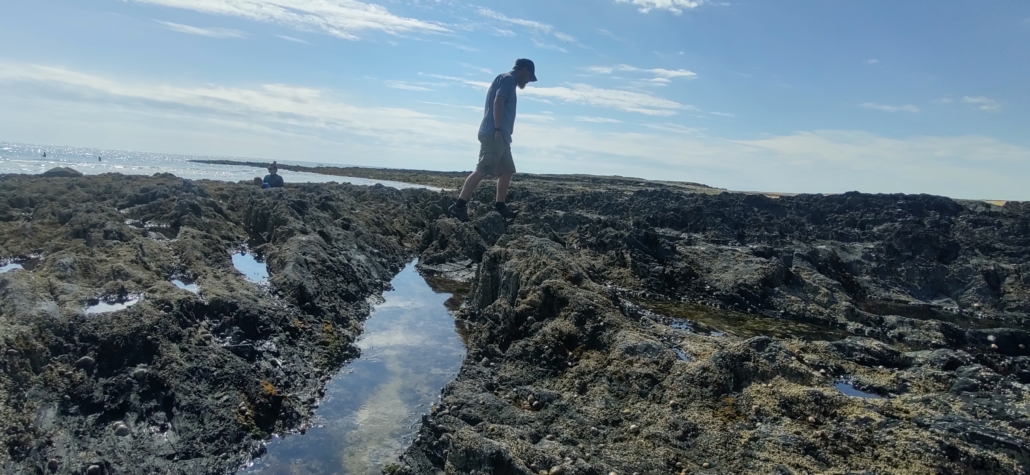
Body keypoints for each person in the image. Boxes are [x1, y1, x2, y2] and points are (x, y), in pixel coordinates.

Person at [447, 58, 537, 222]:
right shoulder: (508, 79)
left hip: (502, 136)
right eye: (529, 77)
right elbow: (498, 102)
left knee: (507, 169)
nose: (528, 81)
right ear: (524, 70)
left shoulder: (506, 80)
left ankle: (500, 206)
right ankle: (458, 206)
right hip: (494, 133)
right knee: (483, 168)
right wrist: (496, 129)